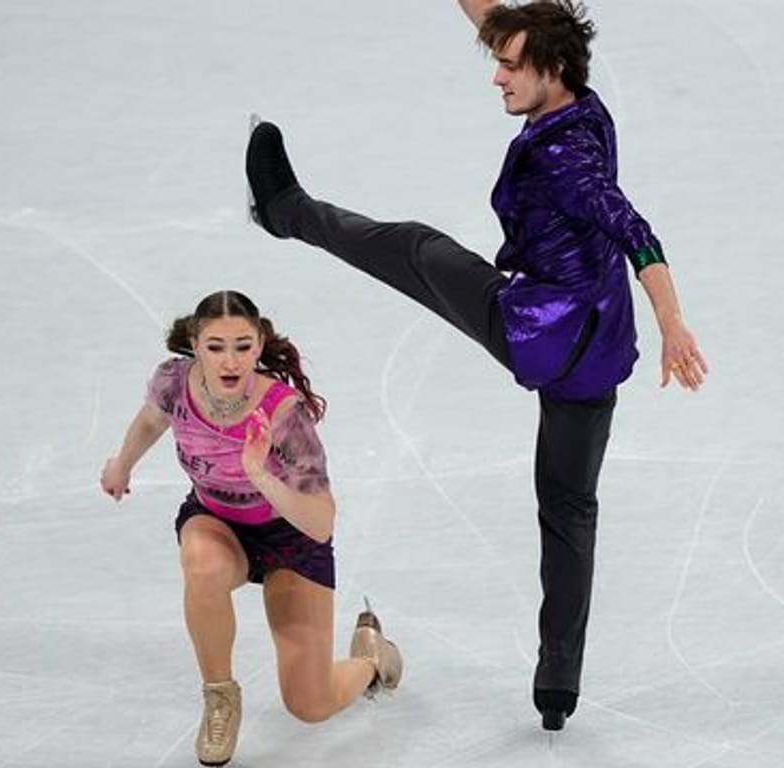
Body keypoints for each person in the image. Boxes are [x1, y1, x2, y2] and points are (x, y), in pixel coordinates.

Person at [243, 0, 707, 732]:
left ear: (550, 70)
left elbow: (635, 232)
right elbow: (498, 18)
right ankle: (559, 684)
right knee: (569, 508)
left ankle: (286, 211)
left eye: (510, 66)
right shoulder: (580, 103)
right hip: (599, 349)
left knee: (415, 250)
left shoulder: (568, 160)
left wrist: (676, 322)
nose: (496, 76)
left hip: (541, 331)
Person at [100, 290, 402, 766]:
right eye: (216, 346)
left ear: (259, 344)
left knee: (309, 705)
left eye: (243, 345)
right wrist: (122, 464)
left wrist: (261, 474)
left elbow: (320, 524)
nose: (230, 360)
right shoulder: (173, 383)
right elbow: (150, 422)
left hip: (291, 538)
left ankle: (371, 660)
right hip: (216, 522)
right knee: (200, 563)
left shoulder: (285, 415)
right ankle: (220, 698)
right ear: (195, 345)